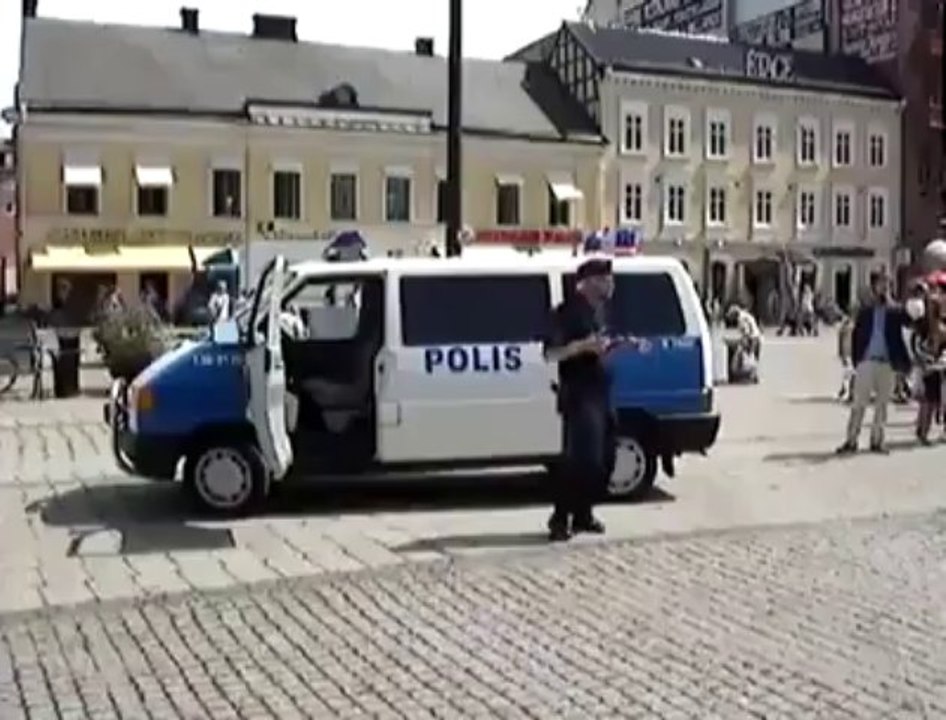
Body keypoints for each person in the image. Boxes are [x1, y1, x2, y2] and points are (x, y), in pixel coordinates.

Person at [542, 258, 646, 542]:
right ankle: (560, 518)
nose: (611, 285)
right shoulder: (567, 313)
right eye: (605, 279)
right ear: (588, 283)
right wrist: (583, 346)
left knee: (605, 459)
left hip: (601, 395)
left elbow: (599, 348)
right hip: (579, 396)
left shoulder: (599, 312)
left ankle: (584, 514)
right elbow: (551, 353)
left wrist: (620, 345)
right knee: (580, 461)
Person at [837, 272, 911, 455]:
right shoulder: (866, 310)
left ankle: (877, 441)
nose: (884, 288)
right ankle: (851, 440)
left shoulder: (895, 310)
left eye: (888, 285)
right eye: (881, 284)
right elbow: (856, 335)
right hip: (867, 361)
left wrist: (894, 302)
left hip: (886, 363)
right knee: (859, 404)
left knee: (882, 405)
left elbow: (909, 322)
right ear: (874, 286)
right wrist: (856, 360)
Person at [907, 282, 945, 444]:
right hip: (926, 366)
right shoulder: (923, 326)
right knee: (927, 401)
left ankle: (922, 430)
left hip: (937, 366)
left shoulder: (940, 326)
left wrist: (939, 357)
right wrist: (924, 361)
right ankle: (922, 432)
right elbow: (915, 343)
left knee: (931, 400)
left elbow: (942, 346)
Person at [836, 313, 854, 402]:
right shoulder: (846, 324)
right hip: (849, 352)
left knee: (849, 371)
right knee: (849, 370)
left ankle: (848, 391)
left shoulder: (846, 325)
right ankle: (847, 391)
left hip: (849, 351)